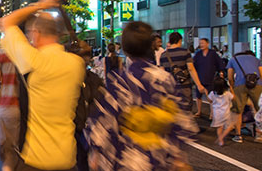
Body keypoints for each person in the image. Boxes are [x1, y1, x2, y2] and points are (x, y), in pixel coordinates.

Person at [85, 21, 198, 170]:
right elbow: (181, 120)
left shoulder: (121, 81)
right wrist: (178, 153)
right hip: (160, 156)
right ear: (149, 46)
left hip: (128, 158)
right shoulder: (165, 79)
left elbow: (104, 121)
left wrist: (96, 150)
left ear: (125, 49)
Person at [0, 0, 84, 171]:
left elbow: (6, 22)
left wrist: (40, 5)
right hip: (68, 157)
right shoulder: (77, 64)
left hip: (37, 158)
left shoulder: (34, 61)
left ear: (35, 34)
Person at [160, 32, 206, 113]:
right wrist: (199, 85)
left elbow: (162, 74)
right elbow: (191, 69)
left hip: (170, 88)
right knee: (186, 110)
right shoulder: (185, 52)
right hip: (184, 87)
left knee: (172, 111)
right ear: (180, 41)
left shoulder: (163, 55)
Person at [226, 50, 262, 143]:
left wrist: (232, 86)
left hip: (240, 85)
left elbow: (230, 76)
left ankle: (238, 136)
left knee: (238, 110)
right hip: (256, 84)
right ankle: (259, 135)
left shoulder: (233, 59)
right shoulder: (256, 59)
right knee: (259, 109)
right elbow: (261, 73)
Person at [192, 38, 225, 118]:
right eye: (200, 43)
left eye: (203, 43)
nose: (201, 45)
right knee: (198, 95)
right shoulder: (198, 54)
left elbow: (219, 63)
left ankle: (212, 113)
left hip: (210, 77)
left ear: (207, 44)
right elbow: (193, 65)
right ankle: (199, 111)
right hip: (199, 77)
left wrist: (221, 71)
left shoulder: (213, 53)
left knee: (211, 96)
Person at [208, 77, 235, 146]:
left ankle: (220, 140)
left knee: (219, 127)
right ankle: (221, 137)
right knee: (230, 126)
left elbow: (210, 100)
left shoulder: (212, 93)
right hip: (226, 113)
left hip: (216, 113)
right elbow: (233, 98)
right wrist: (231, 88)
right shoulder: (227, 93)